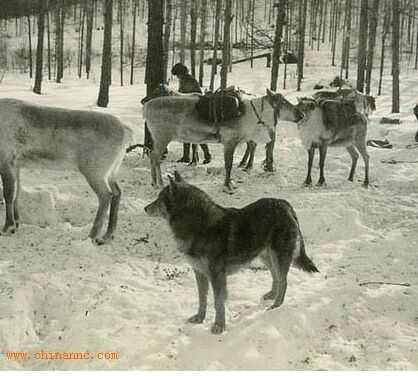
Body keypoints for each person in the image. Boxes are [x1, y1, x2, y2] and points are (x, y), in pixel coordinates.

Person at [171, 63, 211, 164]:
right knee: (186, 133)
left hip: (194, 110)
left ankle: (207, 155)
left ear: (181, 73)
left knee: (196, 134)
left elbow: (192, 95)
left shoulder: (189, 80)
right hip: (187, 110)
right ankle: (186, 156)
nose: (177, 77)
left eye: (178, 75)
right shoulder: (184, 80)